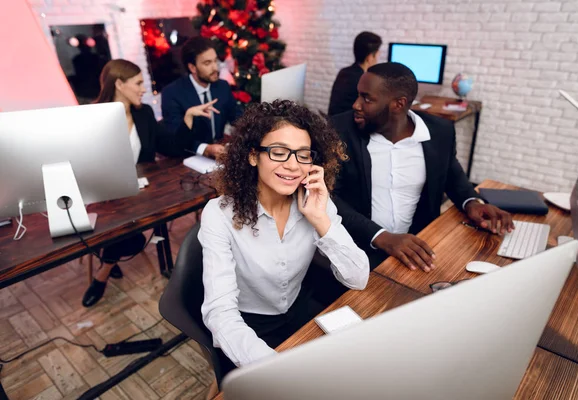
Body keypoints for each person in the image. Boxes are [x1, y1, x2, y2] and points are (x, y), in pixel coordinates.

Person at [199, 100, 369, 381]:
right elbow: (221, 314)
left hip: (299, 311)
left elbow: (358, 277)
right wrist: (279, 370)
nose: (292, 166)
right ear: (253, 156)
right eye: (279, 152)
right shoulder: (218, 215)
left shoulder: (315, 202)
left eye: (303, 155)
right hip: (248, 327)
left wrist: (320, 219)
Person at [331, 62, 514, 273]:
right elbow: (329, 197)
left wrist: (472, 202)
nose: (356, 104)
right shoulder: (339, 130)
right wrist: (380, 236)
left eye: (367, 98)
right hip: (357, 250)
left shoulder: (439, 132)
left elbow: (452, 176)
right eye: (358, 95)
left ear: (398, 104)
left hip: (417, 249)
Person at [82, 59, 218, 307]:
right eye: (138, 83)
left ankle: (106, 264)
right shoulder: (92, 118)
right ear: (120, 84)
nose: (144, 89)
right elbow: (85, 163)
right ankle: (102, 275)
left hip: (138, 196)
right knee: (129, 234)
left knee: (131, 231)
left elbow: (170, 147)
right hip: (104, 198)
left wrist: (188, 117)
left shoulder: (143, 113)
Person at [161, 37, 241, 160]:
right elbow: (175, 139)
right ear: (192, 68)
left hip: (220, 155)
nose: (215, 68)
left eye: (215, 61)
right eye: (207, 63)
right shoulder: (172, 93)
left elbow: (237, 117)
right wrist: (205, 149)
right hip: (188, 159)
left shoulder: (222, 86)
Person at [328, 31, 382, 116]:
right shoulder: (365, 81)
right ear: (370, 58)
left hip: (333, 123)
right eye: (378, 55)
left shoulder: (344, 72)